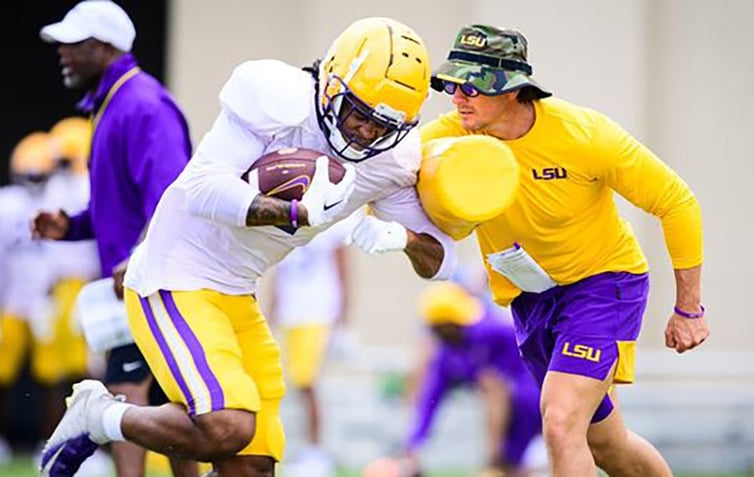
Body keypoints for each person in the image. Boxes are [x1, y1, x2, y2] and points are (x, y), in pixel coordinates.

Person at [39, 16, 456, 477]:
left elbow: (441, 261)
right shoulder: (278, 96)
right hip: (175, 273)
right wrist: (294, 213)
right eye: (360, 114)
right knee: (227, 427)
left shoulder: (392, 158)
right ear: (331, 82)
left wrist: (403, 238)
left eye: (385, 126)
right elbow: (202, 188)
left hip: (237, 291)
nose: (367, 134)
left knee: (253, 465)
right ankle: (97, 416)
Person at [421, 25, 709, 476]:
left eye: (473, 85)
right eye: (451, 85)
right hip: (532, 299)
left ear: (513, 89)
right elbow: (381, 171)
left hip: (604, 284)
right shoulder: (449, 137)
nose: (458, 96)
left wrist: (688, 308)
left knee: (559, 423)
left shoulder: (584, 134)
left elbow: (677, 202)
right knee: (605, 444)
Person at [32, 1, 196, 476]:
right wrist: (72, 225)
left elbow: (171, 198)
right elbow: (120, 205)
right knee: (170, 404)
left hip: (156, 284)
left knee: (128, 394)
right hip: (139, 282)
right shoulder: (111, 104)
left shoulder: (142, 103)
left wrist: (141, 255)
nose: (62, 52)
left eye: (72, 44)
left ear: (103, 47)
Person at [401, 279, 544, 477]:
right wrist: (414, 445)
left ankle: (498, 462)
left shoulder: (494, 331)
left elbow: (523, 381)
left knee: (491, 385)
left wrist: (500, 454)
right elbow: (430, 399)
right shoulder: (448, 353)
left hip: (535, 402)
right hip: (512, 412)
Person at [0, 132, 56, 463]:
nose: (34, 182)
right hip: (9, 300)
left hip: (43, 301)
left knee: (51, 378)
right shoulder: (4, 204)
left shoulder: (60, 199)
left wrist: (50, 296)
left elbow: (63, 258)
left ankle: (52, 441)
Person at [268, 210, 360, 477]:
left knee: (307, 382)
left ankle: (318, 452)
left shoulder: (332, 222)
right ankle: (308, 450)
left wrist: (344, 323)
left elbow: (344, 274)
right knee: (295, 384)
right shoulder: (286, 220)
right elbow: (279, 274)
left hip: (318, 311)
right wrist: (271, 315)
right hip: (292, 313)